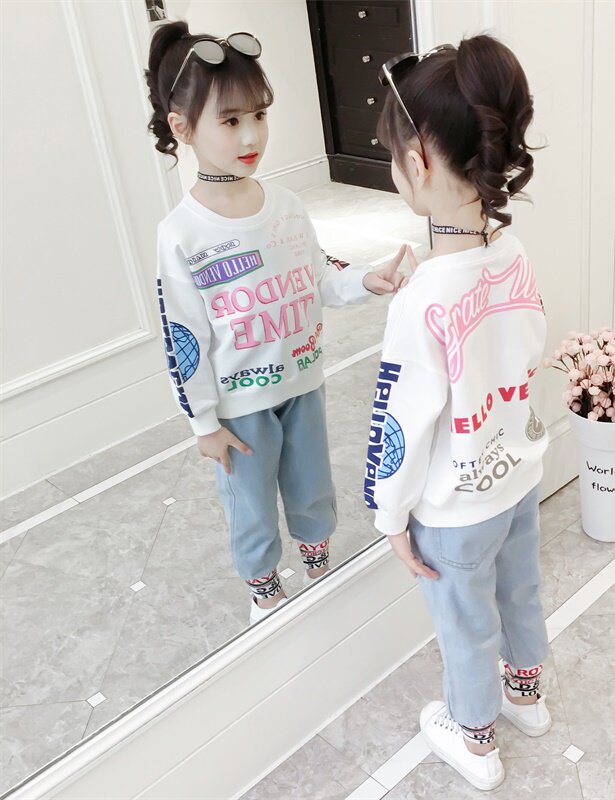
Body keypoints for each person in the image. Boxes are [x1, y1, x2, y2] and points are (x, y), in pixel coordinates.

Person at [145, 20, 409, 625]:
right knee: (251, 503)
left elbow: (317, 276)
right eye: (231, 120)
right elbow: (183, 337)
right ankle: (264, 590)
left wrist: (364, 280)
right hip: (239, 407)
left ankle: (318, 566)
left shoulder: (287, 207)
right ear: (182, 127)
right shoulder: (181, 233)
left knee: (313, 487)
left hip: (303, 384)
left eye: (259, 115)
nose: (252, 135)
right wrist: (203, 422)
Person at [363, 35, 551, 791]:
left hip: (455, 510)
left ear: (418, 162)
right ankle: (526, 698)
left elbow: (402, 426)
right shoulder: (515, 257)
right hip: (518, 481)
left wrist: (389, 516)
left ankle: (474, 739)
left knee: (466, 623)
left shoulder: (421, 303)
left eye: (393, 156)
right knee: (521, 591)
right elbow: (519, 350)